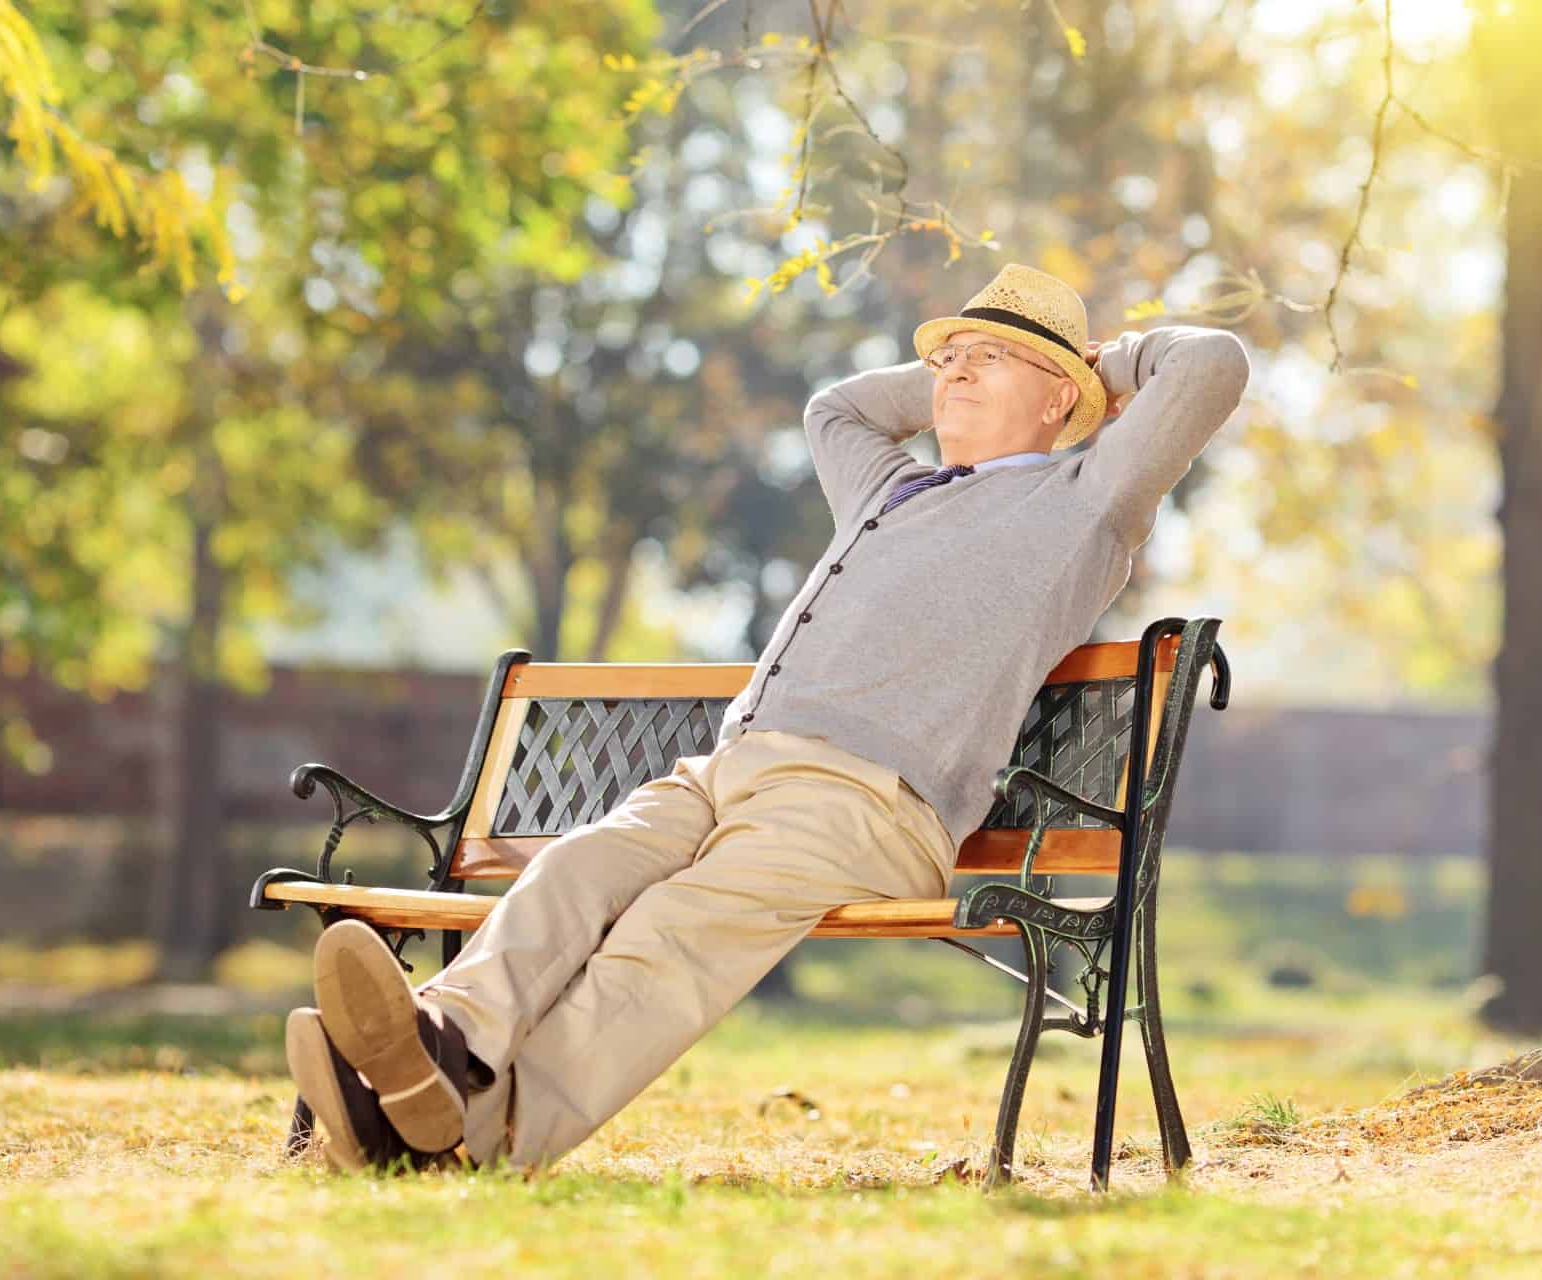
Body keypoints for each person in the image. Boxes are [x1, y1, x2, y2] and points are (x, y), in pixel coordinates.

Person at [284, 262, 1251, 1174]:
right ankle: (443, 1043)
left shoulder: (1083, 500)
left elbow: (1213, 365)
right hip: (724, 770)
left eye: (989, 358)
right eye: (947, 355)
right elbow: (836, 408)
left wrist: (1101, 370)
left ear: (1057, 399)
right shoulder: (890, 487)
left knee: (671, 933)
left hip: (865, 803)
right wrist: (962, 371)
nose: (953, 370)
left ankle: (476, 1135)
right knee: (578, 868)